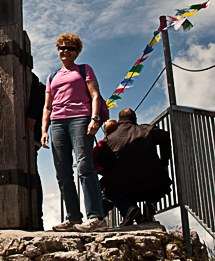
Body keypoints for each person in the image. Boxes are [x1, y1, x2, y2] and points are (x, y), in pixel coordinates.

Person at [41, 33, 106, 232]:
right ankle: (73, 218)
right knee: (63, 172)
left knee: (85, 166)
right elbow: (47, 106)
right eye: (61, 47)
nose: (64, 51)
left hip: (80, 119)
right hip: (57, 123)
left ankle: (96, 217)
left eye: (69, 48)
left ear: (77, 51)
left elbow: (95, 95)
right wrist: (44, 129)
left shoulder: (84, 70)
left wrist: (94, 118)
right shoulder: (52, 76)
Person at [95, 108, 172, 227]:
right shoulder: (147, 130)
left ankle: (130, 208)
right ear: (135, 119)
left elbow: (103, 163)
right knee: (162, 179)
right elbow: (165, 136)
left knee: (106, 186)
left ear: (119, 120)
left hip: (126, 190)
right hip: (153, 185)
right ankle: (150, 204)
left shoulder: (108, 141)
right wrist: (164, 162)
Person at [26, 73, 45, 230]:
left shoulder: (31, 79)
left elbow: (40, 101)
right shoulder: (30, 78)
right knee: (32, 173)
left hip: (31, 135)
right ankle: (35, 218)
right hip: (27, 136)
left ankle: (36, 217)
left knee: (32, 174)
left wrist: (32, 116)